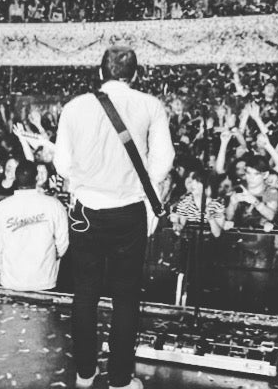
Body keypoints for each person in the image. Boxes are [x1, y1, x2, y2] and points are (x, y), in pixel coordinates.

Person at [54, 46, 175, 389]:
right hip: (128, 213)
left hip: (85, 213)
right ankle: (121, 380)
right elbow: (163, 162)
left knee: (85, 293)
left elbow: (62, 164)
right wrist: (138, 182)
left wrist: (86, 177)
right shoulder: (150, 105)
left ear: (100, 72)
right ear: (135, 75)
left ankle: (84, 373)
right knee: (125, 298)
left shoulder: (74, 107)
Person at [0, 159, 69, 291]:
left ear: (15, 178)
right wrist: (50, 261)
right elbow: (62, 243)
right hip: (45, 281)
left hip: (11, 282)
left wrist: (6, 271)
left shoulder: (0, 208)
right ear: (37, 178)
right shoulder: (54, 205)